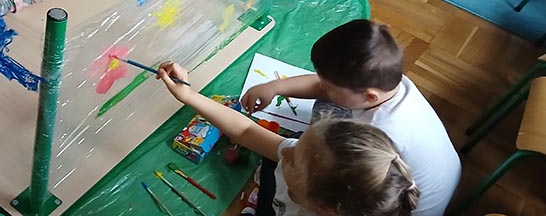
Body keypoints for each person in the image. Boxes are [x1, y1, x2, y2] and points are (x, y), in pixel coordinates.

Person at [241, 20, 461, 216]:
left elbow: (340, 188)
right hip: (429, 181)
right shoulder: (387, 82)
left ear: (370, 96)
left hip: (397, 206)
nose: (322, 87)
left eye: (328, 87)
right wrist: (275, 87)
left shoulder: (378, 132)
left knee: (283, 168)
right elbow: (321, 86)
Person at [157, 62, 420, 216]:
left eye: (295, 159)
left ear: (323, 207)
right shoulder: (311, 173)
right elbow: (246, 131)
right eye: (300, 144)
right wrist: (188, 96)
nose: (287, 150)